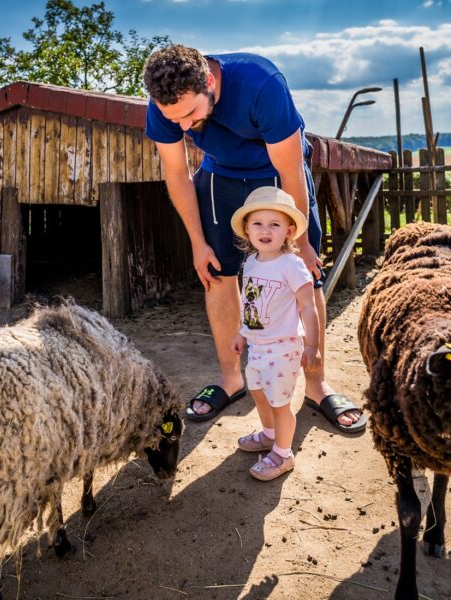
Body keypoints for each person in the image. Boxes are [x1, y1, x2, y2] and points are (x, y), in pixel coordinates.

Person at [142, 44, 366, 432]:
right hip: (220, 177)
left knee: (305, 273)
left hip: (277, 174)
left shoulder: (262, 84)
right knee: (216, 272)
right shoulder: (164, 106)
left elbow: (291, 168)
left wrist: (304, 243)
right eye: (172, 118)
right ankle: (231, 379)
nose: (182, 126)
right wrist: (197, 241)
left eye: (190, 113)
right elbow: (177, 175)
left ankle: (316, 385)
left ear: (209, 83)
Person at [230, 187, 319, 480]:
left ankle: (283, 454)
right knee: (258, 392)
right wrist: (241, 333)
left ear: (289, 232)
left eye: (275, 224)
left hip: (283, 349)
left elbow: (308, 308)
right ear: (247, 229)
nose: (265, 230)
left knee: (280, 404)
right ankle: (269, 435)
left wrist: (312, 345)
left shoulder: (292, 266)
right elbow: (250, 304)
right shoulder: (251, 262)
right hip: (257, 347)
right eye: (258, 223)